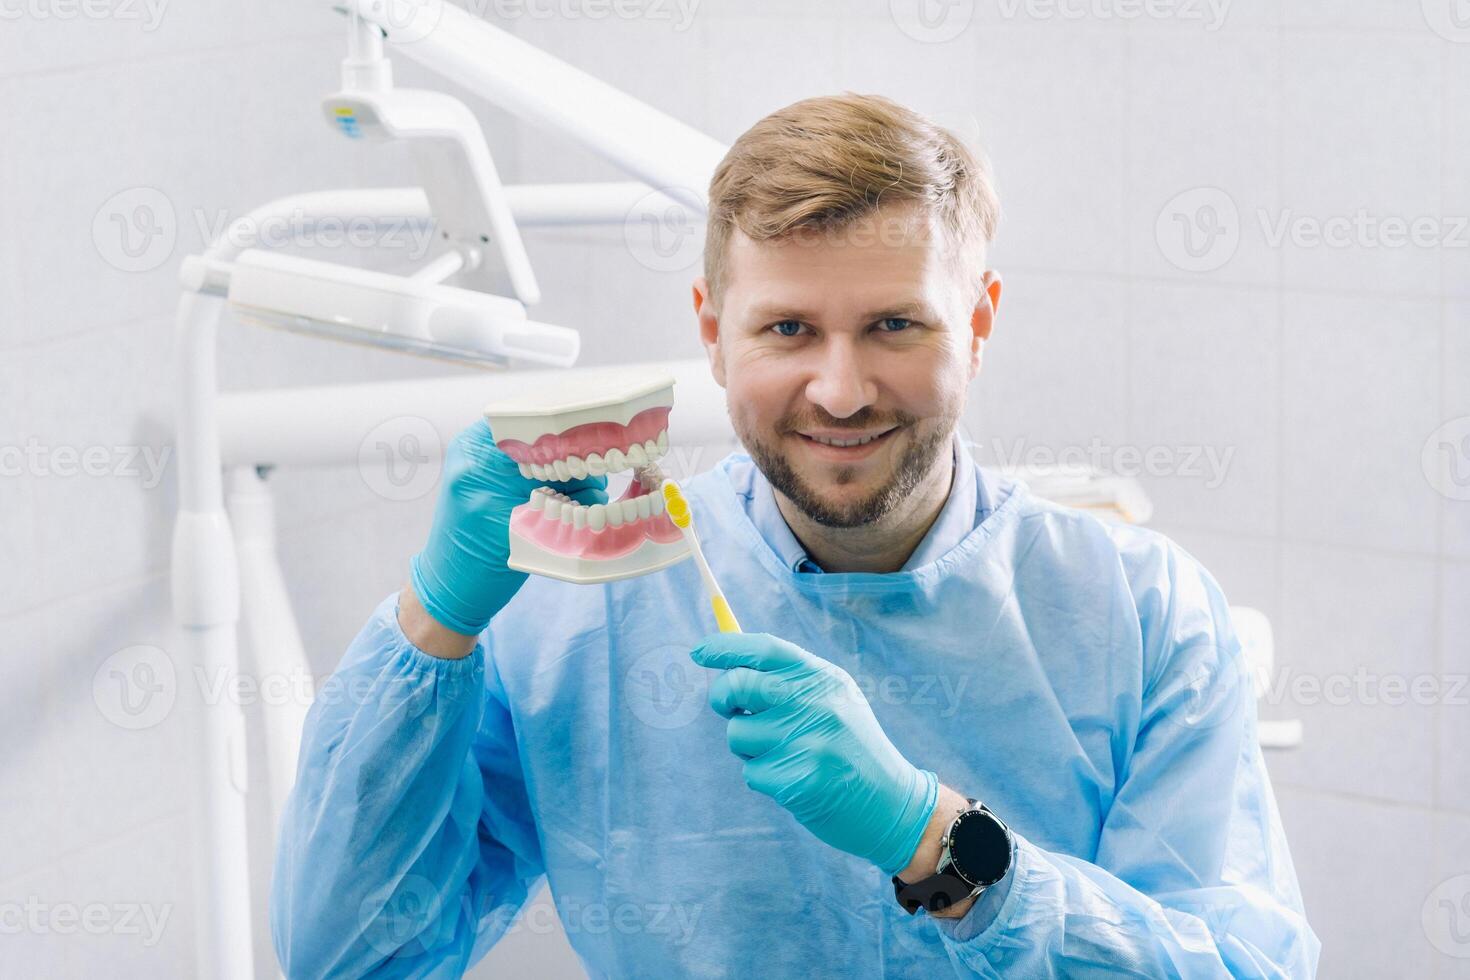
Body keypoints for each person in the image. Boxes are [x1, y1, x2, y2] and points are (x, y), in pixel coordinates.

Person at [271, 92, 1320, 978]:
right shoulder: (575, 616)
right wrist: (434, 619)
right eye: (788, 329)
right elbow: (349, 956)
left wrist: (939, 842)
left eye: (894, 325)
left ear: (981, 323)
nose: (841, 388)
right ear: (711, 332)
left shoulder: (1141, 613)